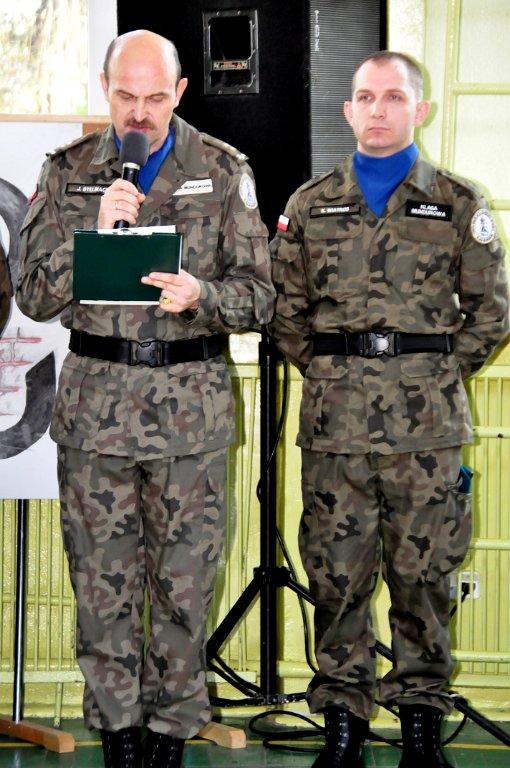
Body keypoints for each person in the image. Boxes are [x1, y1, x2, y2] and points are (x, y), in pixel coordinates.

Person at [16, 29, 274, 768]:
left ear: (180, 92)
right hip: (96, 415)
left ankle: (170, 734)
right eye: (126, 95)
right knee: (102, 587)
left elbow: (261, 296)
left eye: (155, 97)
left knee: (184, 589)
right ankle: (119, 736)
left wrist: (204, 297)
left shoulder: (222, 170)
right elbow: (31, 295)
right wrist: (89, 236)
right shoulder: (67, 172)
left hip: (190, 415)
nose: (139, 112)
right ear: (106, 89)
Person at [269, 51, 509, 768]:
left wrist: (432, 375)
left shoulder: (458, 203)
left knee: (424, 578)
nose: (379, 109)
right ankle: (343, 729)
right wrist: (336, 374)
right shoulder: (309, 205)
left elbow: (492, 313)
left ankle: (421, 733)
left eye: (395, 97)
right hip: (335, 431)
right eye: (367, 97)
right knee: (336, 577)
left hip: (427, 433)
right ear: (348, 110)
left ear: (419, 110)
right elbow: (286, 314)